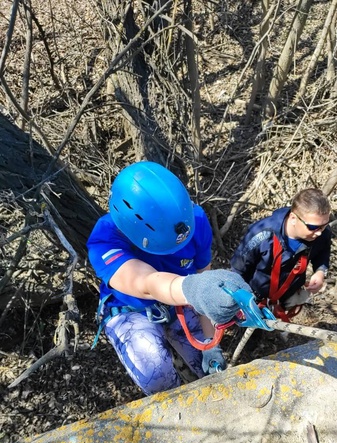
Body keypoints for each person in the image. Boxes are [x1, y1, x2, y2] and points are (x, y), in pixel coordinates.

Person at [87, 161, 252, 395]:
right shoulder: (105, 239)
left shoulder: (192, 220)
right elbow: (147, 283)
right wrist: (194, 289)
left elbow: (202, 275)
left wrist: (209, 341)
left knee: (210, 370)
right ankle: (178, 407)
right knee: (156, 377)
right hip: (131, 309)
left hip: (183, 297)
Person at [230, 188, 331, 318]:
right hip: (253, 298)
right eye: (312, 227)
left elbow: (323, 253)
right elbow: (237, 270)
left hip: (286, 297)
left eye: (324, 225)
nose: (319, 232)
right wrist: (240, 300)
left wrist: (320, 272)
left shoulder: (321, 233)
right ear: (294, 218)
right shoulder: (261, 234)